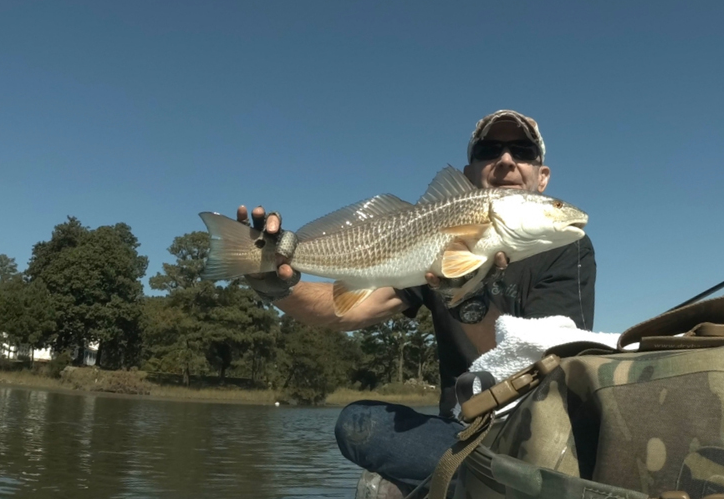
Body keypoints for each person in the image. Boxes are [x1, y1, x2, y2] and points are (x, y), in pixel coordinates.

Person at [236, 110, 596, 495]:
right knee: (358, 424)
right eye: (490, 150)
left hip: (536, 430)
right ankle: (480, 483)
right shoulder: (436, 240)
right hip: (458, 431)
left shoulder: (568, 250)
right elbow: (348, 310)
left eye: (523, 151)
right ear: (468, 175)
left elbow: (548, 371)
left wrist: (466, 299)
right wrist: (275, 286)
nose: (506, 160)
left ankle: (471, 483)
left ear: (542, 178)